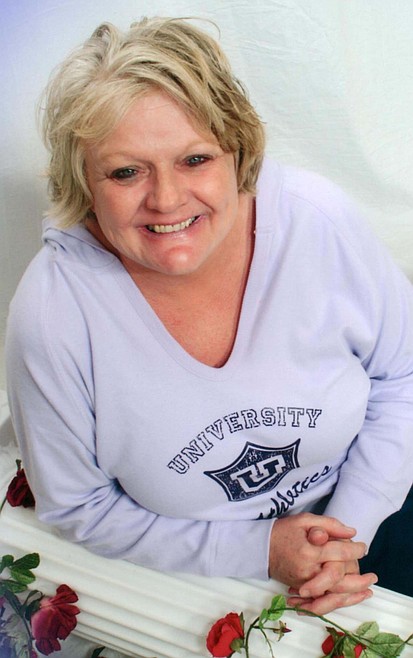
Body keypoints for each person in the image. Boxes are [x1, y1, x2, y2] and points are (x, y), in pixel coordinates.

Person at [5, 17, 413, 615]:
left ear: (237, 151)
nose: (167, 199)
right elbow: (79, 506)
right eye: (126, 171)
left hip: (380, 503)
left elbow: (403, 378)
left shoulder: (318, 221)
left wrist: (346, 534)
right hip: (198, 575)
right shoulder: (53, 315)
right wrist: (261, 550)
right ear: (83, 182)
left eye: (195, 159)